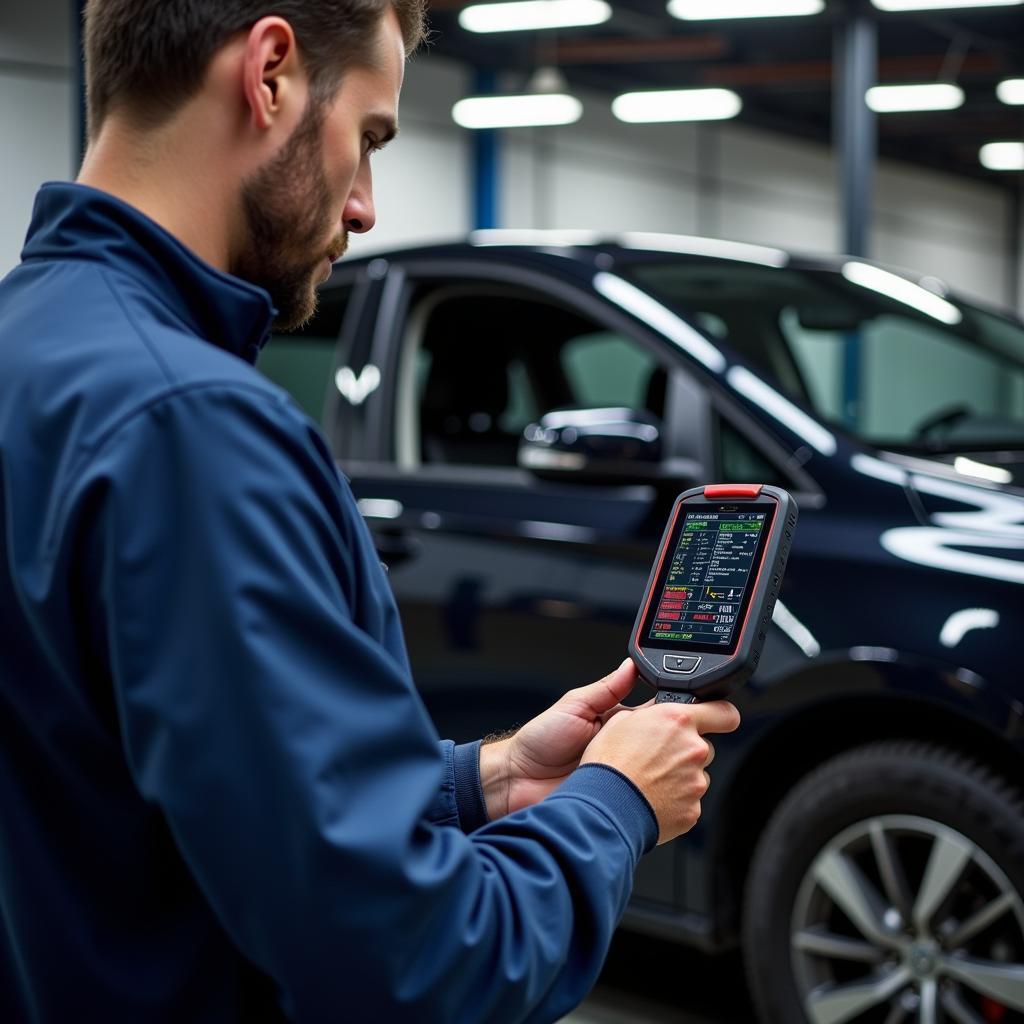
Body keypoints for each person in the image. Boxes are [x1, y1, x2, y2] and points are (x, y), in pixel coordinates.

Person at [0, 1, 741, 1021]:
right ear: (268, 74)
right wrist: (613, 804)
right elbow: (424, 965)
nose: (366, 207)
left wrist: (485, 781)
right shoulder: (193, 426)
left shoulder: (27, 351)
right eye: (370, 138)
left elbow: (133, 797)